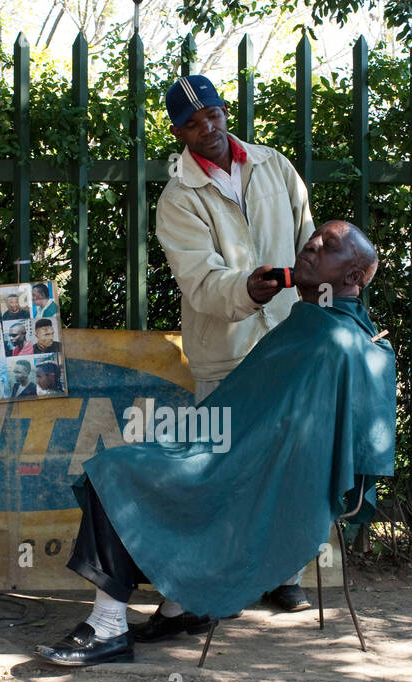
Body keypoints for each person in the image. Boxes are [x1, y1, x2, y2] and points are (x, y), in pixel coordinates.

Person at [33, 221, 394, 667]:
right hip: (240, 460)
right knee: (129, 464)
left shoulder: (329, 338)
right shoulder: (320, 327)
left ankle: (107, 629)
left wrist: (203, 454)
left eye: (330, 245)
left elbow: (284, 439)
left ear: (353, 278)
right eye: (312, 238)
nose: (312, 244)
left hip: (253, 478)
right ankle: (180, 608)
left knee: (116, 472)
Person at [154, 73, 317, 624]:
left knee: (291, 460)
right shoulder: (178, 199)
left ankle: (286, 577)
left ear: (227, 112)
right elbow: (200, 281)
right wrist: (246, 289)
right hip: (226, 348)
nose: (210, 128)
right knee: (222, 470)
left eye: (216, 115)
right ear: (180, 132)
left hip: (289, 339)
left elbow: (307, 238)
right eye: (195, 123)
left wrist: (314, 288)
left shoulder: (274, 165)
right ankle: (217, 582)